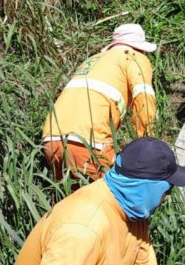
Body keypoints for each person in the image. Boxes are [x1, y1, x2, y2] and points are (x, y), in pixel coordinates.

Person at [15, 137, 185, 265]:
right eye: (168, 189)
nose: (166, 198)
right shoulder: (83, 229)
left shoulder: (131, 211)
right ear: (148, 188)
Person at [41, 23, 158, 182]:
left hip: (51, 140)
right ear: (140, 47)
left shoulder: (93, 60)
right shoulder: (133, 57)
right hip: (88, 141)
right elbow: (143, 99)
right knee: (111, 200)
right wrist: (149, 146)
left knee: (74, 201)